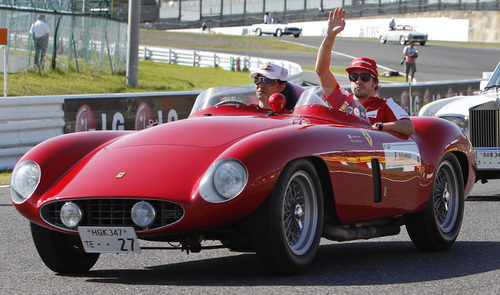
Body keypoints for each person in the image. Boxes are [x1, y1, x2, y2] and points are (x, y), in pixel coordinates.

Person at [315, 8, 415, 137]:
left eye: (365, 77)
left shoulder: (385, 105)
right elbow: (321, 70)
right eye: (354, 76)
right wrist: (330, 36)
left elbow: (408, 127)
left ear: (375, 82)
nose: (358, 81)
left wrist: (380, 126)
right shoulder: (341, 100)